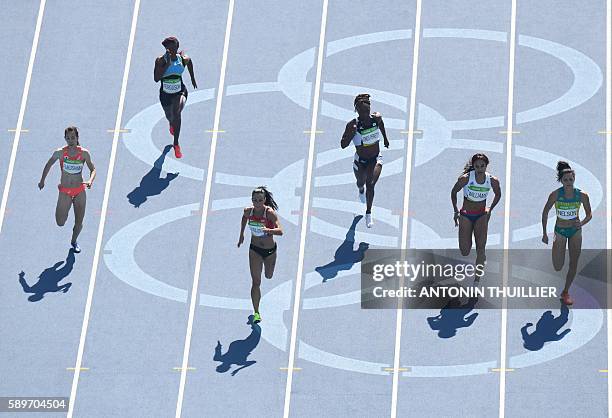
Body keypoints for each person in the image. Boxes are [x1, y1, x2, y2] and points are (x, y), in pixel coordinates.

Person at [541, 161, 592, 305]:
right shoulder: (555, 195)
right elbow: (545, 213)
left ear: (574, 179)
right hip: (560, 231)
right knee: (558, 266)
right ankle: (557, 250)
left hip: (575, 231)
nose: (569, 182)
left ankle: (565, 292)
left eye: (571, 179)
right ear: (561, 181)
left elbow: (589, 214)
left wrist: (581, 223)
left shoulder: (582, 196)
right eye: (565, 180)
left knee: (574, 263)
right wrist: (544, 233)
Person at [38, 126, 96, 253]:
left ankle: (74, 241)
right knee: (60, 222)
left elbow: (93, 169)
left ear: (77, 138)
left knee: (79, 222)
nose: (70, 140)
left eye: (73, 138)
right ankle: (66, 209)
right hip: (65, 191)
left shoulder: (84, 153)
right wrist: (42, 180)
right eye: (68, 138)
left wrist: (91, 180)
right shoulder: (60, 153)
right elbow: (48, 165)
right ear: (65, 139)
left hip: (79, 190)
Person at [340, 93, 389, 228]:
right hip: (360, 161)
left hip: (375, 159)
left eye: (367, 111)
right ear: (357, 111)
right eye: (361, 112)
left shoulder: (376, 119)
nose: (364, 114)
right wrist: (351, 133)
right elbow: (343, 145)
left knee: (371, 184)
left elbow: (382, 126)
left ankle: (368, 213)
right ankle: (360, 190)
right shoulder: (352, 125)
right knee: (360, 183)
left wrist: (385, 139)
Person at [238, 187, 283, 323]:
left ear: (264, 200)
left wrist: (268, 230)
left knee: (268, 276)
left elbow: (280, 231)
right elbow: (244, 218)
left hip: (269, 251)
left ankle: (269, 269)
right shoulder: (248, 211)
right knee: (256, 282)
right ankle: (256, 312)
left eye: (260, 200)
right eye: (255, 200)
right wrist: (241, 234)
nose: (257, 203)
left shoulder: (269, 213)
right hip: (255, 250)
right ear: (252, 200)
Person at [450, 153, 501, 272]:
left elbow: (498, 194)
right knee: (465, 251)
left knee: (481, 249)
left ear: (486, 166)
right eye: (477, 166)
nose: (480, 169)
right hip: (466, 216)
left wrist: (490, 208)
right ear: (473, 166)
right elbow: (453, 192)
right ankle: (468, 237)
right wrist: (455, 210)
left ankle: (476, 281)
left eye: (482, 166)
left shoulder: (492, 181)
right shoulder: (465, 179)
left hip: (481, 216)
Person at [153, 36, 197, 159]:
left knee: (177, 113)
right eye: (169, 49)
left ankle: (176, 143)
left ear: (177, 48)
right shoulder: (160, 61)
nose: (171, 51)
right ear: (166, 49)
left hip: (180, 92)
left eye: (174, 48)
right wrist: (167, 65)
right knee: (170, 117)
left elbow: (190, 62)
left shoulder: (183, 59)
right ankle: (171, 124)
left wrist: (193, 78)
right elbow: (156, 79)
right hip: (165, 94)